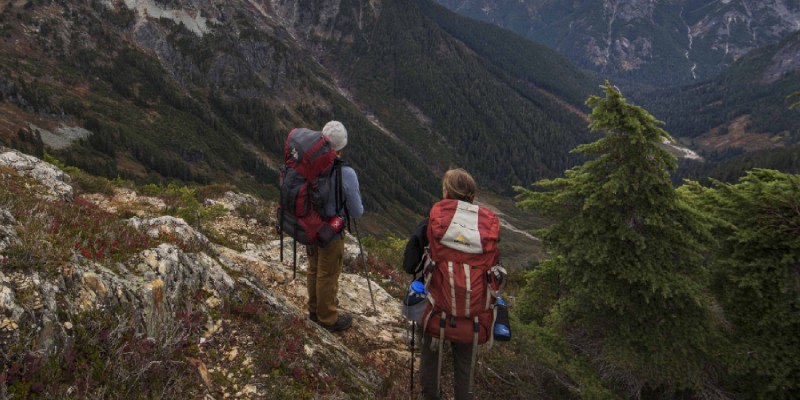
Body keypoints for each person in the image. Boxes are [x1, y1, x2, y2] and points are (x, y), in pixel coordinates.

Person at [403, 168, 485, 400]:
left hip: (436, 304)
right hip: (472, 309)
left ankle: (430, 396)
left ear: (446, 192)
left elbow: (409, 265)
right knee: (465, 363)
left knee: (431, 356)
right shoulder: (484, 229)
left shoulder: (432, 222)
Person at [307, 120, 364, 332]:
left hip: (310, 224)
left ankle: (314, 309)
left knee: (314, 268)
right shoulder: (345, 172)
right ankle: (327, 318)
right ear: (342, 146)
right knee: (328, 273)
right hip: (331, 230)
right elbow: (357, 211)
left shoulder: (310, 163)